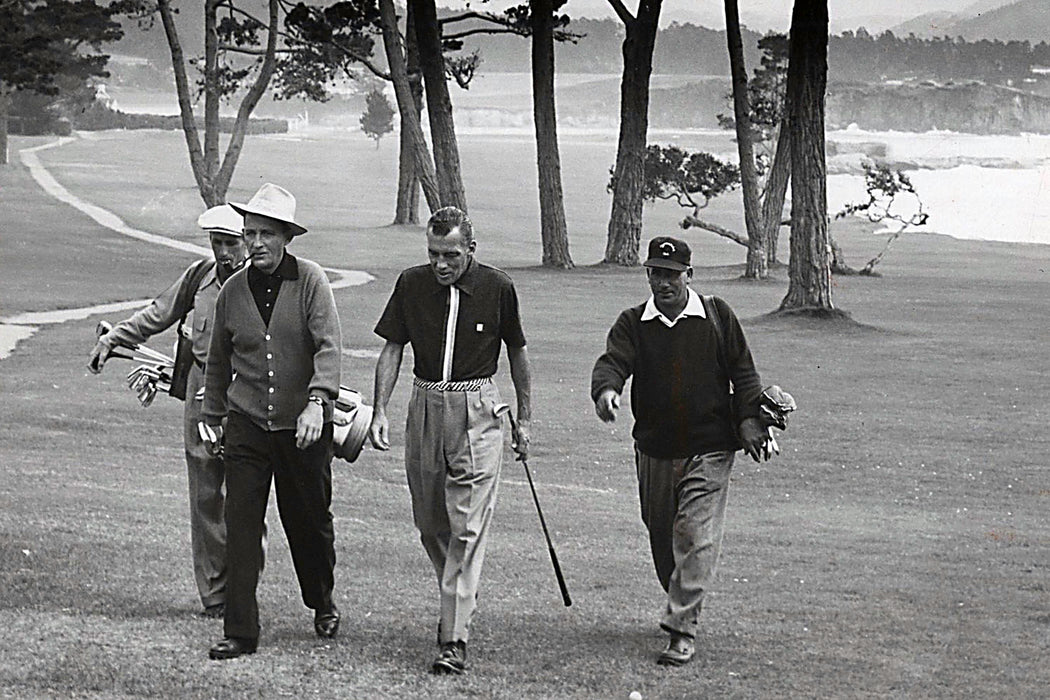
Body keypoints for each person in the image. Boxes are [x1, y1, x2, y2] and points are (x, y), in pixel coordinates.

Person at [590, 236, 769, 667]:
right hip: (655, 448)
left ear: (689, 274)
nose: (663, 282)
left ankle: (681, 629)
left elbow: (743, 372)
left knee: (694, 534)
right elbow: (612, 361)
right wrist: (607, 391)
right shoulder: (634, 322)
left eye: (671, 274)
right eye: (655, 273)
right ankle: (680, 601)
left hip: (710, 446)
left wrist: (749, 421)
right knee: (663, 538)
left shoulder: (716, 315)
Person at [368, 206, 531, 676]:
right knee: (431, 523)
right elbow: (393, 347)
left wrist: (525, 417)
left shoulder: (498, 287)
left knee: (467, 527)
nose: (441, 264)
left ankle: (452, 639)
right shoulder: (411, 283)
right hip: (424, 406)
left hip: (478, 410)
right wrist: (380, 409)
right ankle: (460, 589)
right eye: (434, 254)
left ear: (471, 251)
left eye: (452, 255)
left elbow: (517, 352)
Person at [200, 183, 342, 660]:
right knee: (240, 525)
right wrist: (212, 416)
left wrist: (317, 402)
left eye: (265, 233)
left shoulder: (311, 282)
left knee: (309, 523)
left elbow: (328, 347)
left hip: (302, 429)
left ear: (285, 237)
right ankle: (240, 630)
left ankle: (321, 599)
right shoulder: (232, 291)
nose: (255, 242)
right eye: (249, 233)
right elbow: (219, 360)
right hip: (245, 426)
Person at [87, 204, 247, 619]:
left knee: (247, 493)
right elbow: (158, 314)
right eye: (218, 243)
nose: (225, 253)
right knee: (206, 493)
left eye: (232, 243)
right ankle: (215, 595)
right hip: (200, 391)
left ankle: (243, 589)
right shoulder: (199, 276)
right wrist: (113, 338)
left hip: (246, 392)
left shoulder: (258, 283)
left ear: (247, 240)